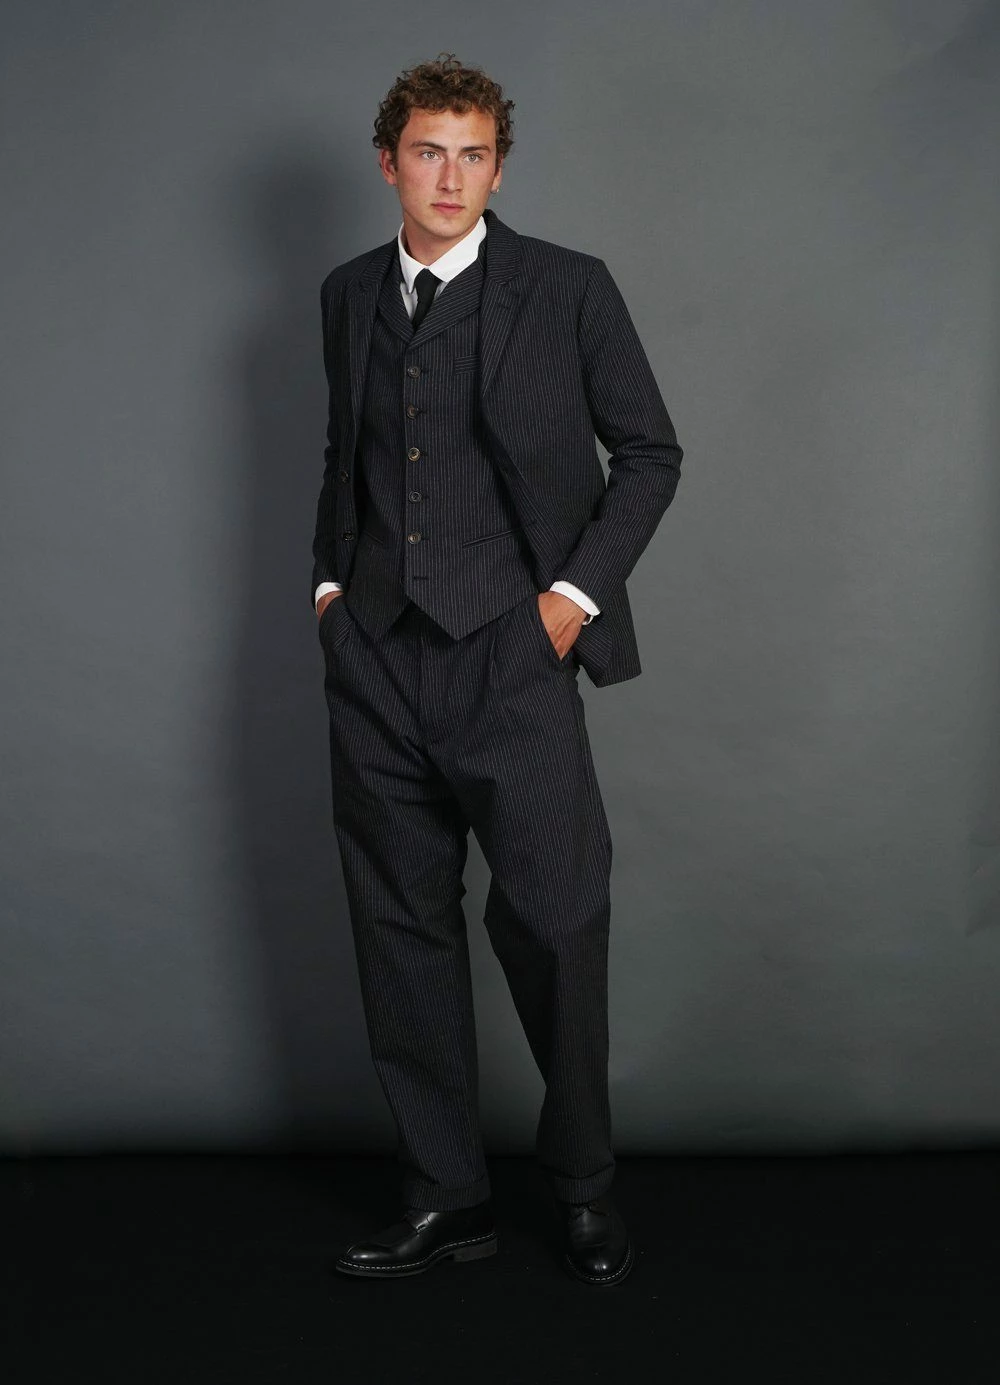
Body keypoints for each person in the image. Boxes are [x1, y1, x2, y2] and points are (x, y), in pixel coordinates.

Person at [311, 52, 683, 1286]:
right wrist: (328, 593)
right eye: (429, 152)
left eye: (473, 155)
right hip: (375, 663)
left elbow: (649, 451)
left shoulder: (567, 288)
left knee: (557, 923)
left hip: (512, 661)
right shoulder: (346, 294)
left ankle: (580, 1185)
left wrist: (568, 603)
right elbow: (345, 455)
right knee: (398, 931)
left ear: (498, 169)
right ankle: (445, 1193)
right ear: (389, 162)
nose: (451, 176)